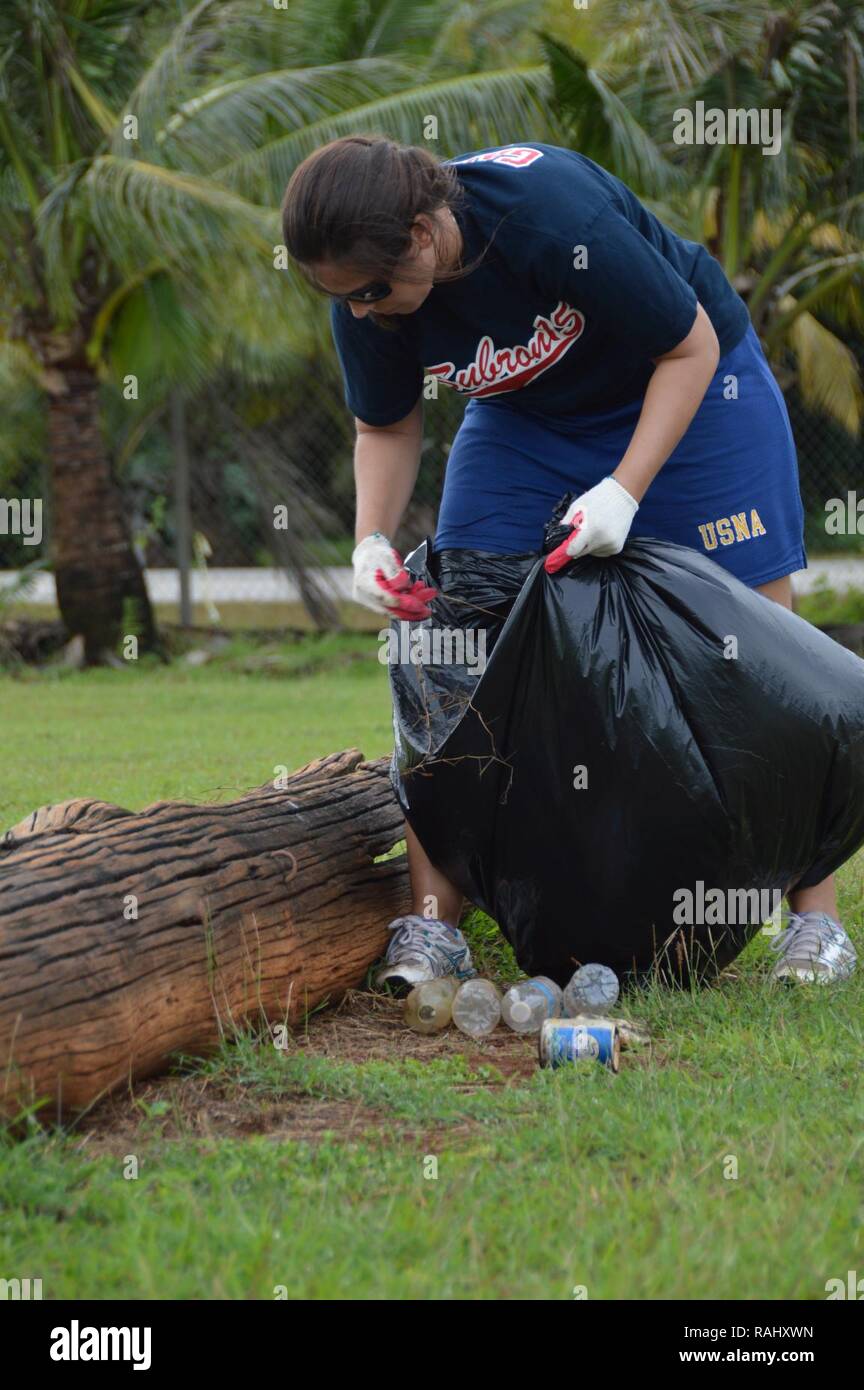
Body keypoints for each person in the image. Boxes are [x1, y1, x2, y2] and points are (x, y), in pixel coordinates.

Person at [281, 134, 857, 988]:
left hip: (695, 391)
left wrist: (624, 490)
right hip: (528, 423)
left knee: (757, 647)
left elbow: (688, 347)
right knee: (451, 645)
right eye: (343, 299)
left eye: (371, 292)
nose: (362, 311)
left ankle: (815, 923)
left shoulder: (548, 216)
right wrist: (371, 538)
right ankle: (433, 923)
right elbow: (386, 424)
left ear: (423, 233)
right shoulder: (362, 285)